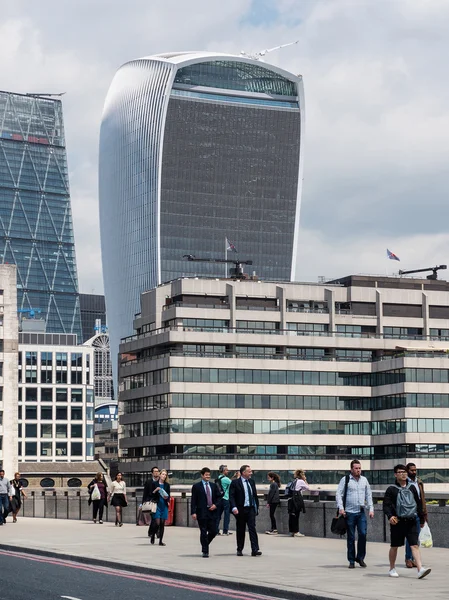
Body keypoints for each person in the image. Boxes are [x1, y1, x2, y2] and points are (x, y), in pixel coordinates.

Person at [383, 464, 431, 579]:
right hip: (397, 522)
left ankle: (420, 569)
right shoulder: (391, 489)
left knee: (414, 545)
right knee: (394, 546)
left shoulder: (412, 487)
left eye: (404, 472)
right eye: (400, 472)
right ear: (395, 474)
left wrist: (422, 518)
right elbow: (386, 505)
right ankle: (392, 568)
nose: (403, 474)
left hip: (412, 520)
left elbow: (418, 503)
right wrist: (390, 516)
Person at [336, 459, 374, 569]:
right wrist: (341, 508)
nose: (358, 470)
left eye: (359, 468)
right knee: (351, 537)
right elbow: (339, 494)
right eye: (356, 468)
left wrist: (371, 509)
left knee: (362, 534)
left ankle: (360, 557)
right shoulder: (346, 479)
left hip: (361, 511)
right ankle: (351, 560)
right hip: (349, 513)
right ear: (351, 469)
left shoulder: (364, 480)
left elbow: (369, 495)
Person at [229, 464, 261, 557]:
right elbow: (231, 496)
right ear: (244, 473)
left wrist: (256, 507)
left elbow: (254, 495)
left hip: (250, 508)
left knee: (252, 528)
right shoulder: (235, 483)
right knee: (240, 529)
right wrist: (234, 507)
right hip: (240, 509)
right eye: (249, 471)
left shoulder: (251, 482)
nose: (251, 473)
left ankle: (255, 549)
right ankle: (239, 549)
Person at [191, 467, 221, 558]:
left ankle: (205, 543)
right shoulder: (196, 486)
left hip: (212, 511)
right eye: (206, 475)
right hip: (201, 512)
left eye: (209, 475)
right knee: (203, 531)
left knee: (214, 531)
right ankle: (205, 551)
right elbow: (193, 500)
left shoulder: (213, 485)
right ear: (202, 475)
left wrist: (215, 505)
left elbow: (219, 497)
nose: (208, 476)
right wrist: (193, 512)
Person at [405, 463, 427, 568]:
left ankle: (413, 559)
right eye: (411, 470)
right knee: (410, 537)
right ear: (407, 471)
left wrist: (424, 514)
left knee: (415, 537)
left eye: (415, 470)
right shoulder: (404, 482)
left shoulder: (419, 482)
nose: (414, 472)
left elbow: (422, 499)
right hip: (408, 513)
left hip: (418, 513)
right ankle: (408, 558)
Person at [149, 469, 170, 546]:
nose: (164, 476)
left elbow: (168, 496)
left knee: (162, 523)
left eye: (165, 475)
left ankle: (160, 540)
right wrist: (155, 490)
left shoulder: (167, 485)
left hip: (164, 505)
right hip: (157, 505)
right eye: (163, 474)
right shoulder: (154, 484)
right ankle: (153, 534)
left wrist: (166, 498)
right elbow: (151, 494)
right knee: (157, 523)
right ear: (160, 475)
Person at [286, 469, 309, 537]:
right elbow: (308, 488)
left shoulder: (294, 481)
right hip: (297, 500)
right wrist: (305, 480)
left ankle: (292, 531)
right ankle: (296, 531)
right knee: (296, 515)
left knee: (292, 515)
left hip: (291, 500)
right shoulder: (301, 481)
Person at [142, 466, 160, 538]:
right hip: (151, 502)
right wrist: (143, 502)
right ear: (152, 473)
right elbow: (145, 493)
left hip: (159, 502)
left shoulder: (161, 481)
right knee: (154, 518)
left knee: (158, 518)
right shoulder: (148, 482)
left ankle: (152, 531)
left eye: (157, 471)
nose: (156, 473)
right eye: (155, 471)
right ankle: (154, 532)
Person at [216, 464, 232, 535]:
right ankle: (225, 530)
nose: (228, 471)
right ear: (224, 471)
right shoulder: (226, 479)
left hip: (219, 499)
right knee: (226, 515)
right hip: (226, 498)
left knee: (218, 515)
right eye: (227, 470)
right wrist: (237, 477)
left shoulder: (219, 478)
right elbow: (233, 484)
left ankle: (216, 530)